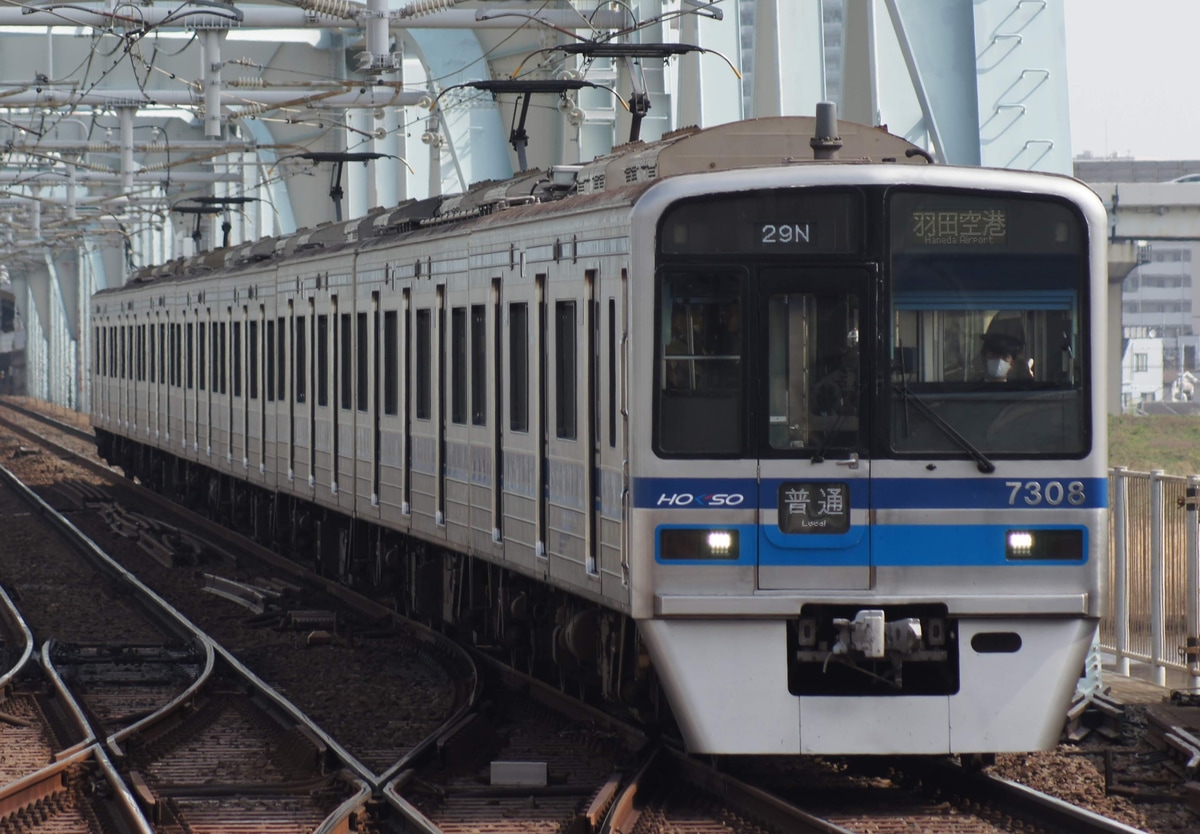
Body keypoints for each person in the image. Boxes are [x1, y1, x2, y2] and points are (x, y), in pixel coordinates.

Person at [978, 316, 1034, 382]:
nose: (999, 360)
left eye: (1004, 356)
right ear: (985, 360)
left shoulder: (1020, 390)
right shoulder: (971, 389)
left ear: (1012, 364)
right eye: (994, 354)